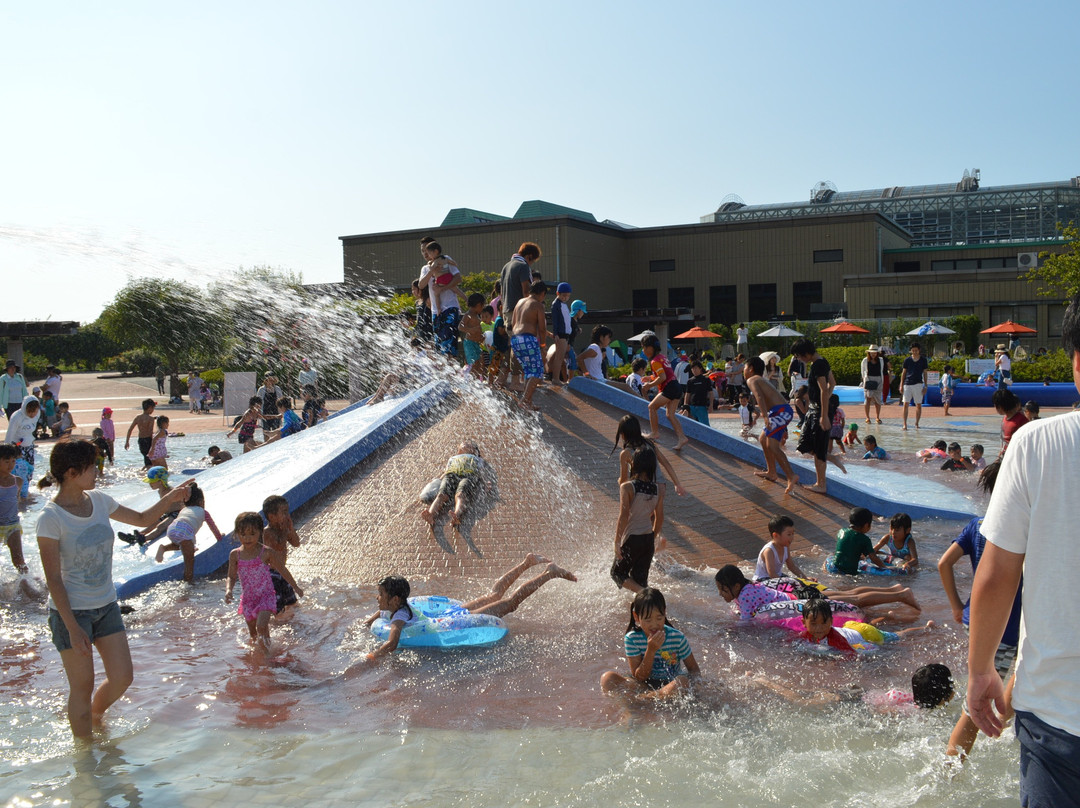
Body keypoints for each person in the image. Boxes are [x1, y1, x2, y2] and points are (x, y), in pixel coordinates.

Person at [967, 293, 1080, 805]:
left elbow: (995, 577)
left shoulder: (1036, 444)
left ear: (1075, 360)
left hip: (1059, 716)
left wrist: (979, 672)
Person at [36, 439, 192, 738]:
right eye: (91, 467)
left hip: (106, 605)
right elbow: (53, 579)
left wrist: (171, 497)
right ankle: (85, 760)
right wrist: (72, 627)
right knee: (81, 687)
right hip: (72, 614)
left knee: (122, 677)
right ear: (71, 473)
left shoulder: (99, 500)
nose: (98, 471)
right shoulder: (50, 518)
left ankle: (95, 717)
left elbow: (143, 519)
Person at [937, 461, 1023, 759]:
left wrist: (957, 606)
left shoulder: (978, 525)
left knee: (1010, 674)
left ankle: (1002, 719)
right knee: (974, 712)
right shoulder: (1023, 532)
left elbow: (943, 563)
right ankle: (949, 771)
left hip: (977, 619)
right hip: (1004, 629)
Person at [357, 555, 576, 665]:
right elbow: (381, 613)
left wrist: (373, 656)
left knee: (510, 603)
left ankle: (549, 573)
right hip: (451, 615)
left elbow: (393, 642)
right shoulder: (396, 606)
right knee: (494, 595)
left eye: (380, 595)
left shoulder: (399, 617)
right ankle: (526, 563)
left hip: (459, 620)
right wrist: (368, 623)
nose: (377, 598)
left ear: (394, 599)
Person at [753, 515, 921, 612]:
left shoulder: (784, 547)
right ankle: (893, 591)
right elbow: (774, 577)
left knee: (849, 598)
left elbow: (787, 570)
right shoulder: (770, 550)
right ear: (775, 535)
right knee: (847, 595)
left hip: (783, 588)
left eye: (792, 534)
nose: (792, 538)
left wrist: (804, 579)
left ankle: (898, 594)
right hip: (780, 585)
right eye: (788, 534)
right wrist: (801, 583)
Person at [600, 587, 700, 700]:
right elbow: (639, 677)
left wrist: (696, 688)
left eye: (659, 618)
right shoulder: (632, 638)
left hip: (669, 686)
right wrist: (651, 650)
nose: (654, 625)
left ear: (665, 612)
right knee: (607, 678)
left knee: (682, 682)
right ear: (636, 617)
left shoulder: (677, 637)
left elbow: (694, 669)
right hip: (644, 685)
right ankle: (647, 699)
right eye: (648, 620)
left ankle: (642, 700)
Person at [225, 512, 303, 652]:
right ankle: (263, 655)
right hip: (248, 599)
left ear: (260, 532)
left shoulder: (266, 552)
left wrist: (295, 586)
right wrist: (228, 590)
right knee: (254, 635)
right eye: (243, 534)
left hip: (266, 596)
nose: (247, 538)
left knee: (261, 626)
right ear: (237, 534)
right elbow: (231, 576)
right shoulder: (235, 554)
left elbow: (282, 570)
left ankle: (268, 656)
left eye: (252, 534)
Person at [611, 446, 666, 594]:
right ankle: (647, 603)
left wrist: (617, 542)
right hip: (647, 539)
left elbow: (623, 516)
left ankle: (646, 595)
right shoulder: (657, 489)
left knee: (617, 573)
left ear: (635, 464)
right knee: (639, 581)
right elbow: (659, 518)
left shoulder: (627, 487)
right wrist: (652, 537)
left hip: (632, 539)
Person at [792, 339, 844, 493]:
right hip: (815, 410)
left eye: (799, 356)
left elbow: (823, 388)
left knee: (818, 448)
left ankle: (821, 484)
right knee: (805, 444)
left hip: (818, 412)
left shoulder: (818, 365)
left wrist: (824, 414)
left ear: (806, 353)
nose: (800, 359)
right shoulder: (822, 361)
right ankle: (831, 457)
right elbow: (833, 383)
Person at [744, 356, 797, 493]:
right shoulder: (761, 379)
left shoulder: (752, 379)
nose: (743, 370)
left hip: (779, 412)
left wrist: (765, 417)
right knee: (763, 439)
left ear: (750, 369)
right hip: (779, 412)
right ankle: (771, 472)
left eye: (744, 367)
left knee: (772, 446)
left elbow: (759, 397)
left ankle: (791, 476)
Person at [153, 484, 224, 581]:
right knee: (189, 563)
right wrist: (219, 537)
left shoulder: (184, 509)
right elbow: (213, 527)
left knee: (182, 544)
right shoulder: (204, 512)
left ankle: (164, 548)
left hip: (171, 529)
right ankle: (188, 583)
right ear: (201, 502)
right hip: (184, 532)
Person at [420, 441, 494, 532]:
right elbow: (446, 471)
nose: (464, 444)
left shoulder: (477, 459)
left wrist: (486, 482)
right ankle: (431, 514)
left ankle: (456, 515)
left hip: (469, 475)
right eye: (463, 444)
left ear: (474, 450)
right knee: (441, 495)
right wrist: (437, 481)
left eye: (468, 444)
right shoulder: (453, 458)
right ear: (458, 450)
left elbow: (481, 471)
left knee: (460, 495)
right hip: (451, 475)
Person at [612, 414, 686, 497]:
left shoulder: (626, 453)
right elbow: (666, 463)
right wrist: (677, 484)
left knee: (640, 508)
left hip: (643, 489)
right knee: (658, 510)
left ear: (623, 434)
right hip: (660, 485)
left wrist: (619, 481)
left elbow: (624, 480)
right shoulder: (649, 443)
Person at [640, 334, 688, 451]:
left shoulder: (654, 361)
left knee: (651, 407)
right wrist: (650, 377)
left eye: (644, 347)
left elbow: (662, 377)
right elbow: (664, 374)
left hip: (669, 388)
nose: (643, 350)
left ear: (651, 348)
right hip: (676, 386)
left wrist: (649, 385)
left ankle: (654, 433)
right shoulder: (662, 357)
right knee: (670, 415)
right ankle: (682, 438)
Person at [509, 280, 549, 411]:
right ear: (542, 293)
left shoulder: (520, 302)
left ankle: (528, 403)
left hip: (515, 339)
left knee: (528, 371)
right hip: (528, 339)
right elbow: (542, 329)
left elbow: (513, 323)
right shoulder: (538, 305)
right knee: (538, 371)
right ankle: (524, 400)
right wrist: (542, 346)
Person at [262, 495, 302, 614]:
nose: (287, 515)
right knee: (277, 608)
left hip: (282, 573)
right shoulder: (267, 532)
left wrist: (291, 529)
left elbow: (296, 543)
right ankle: (276, 626)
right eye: (284, 512)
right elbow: (278, 546)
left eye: (287, 511)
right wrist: (285, 531)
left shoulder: (284, 529)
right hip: (271, 575)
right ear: (272, 517)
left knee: (292, 603)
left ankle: (296, 623)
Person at [715, 564, 795, 621]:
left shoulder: (745, 596)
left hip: (789, 605)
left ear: (736, 587)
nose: (720, 593)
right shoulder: (745, 588)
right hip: (788, 597)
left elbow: (746, 623)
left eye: (724, 590)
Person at [500, 242, 541, 337]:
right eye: (533, 260)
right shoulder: (523, 266)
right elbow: (526, 292)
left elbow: (502, 293)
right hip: (519, 312)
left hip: (507, 311)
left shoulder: (506, 266)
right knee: (522, 344)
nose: (531, 264)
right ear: (529, 256)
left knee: (514, 345)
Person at [831, 507, 887, 574]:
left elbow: (847, 548)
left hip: (835, 567)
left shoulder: (841, 531)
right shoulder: (864, 539)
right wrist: (885, 567)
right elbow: (873, 558)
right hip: (849, 572)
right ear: (866, 525)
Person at [5, 396, 41, 496]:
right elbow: (10, 434)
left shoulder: (37, 414)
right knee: (17, 470)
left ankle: (25, 490)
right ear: (25, 408)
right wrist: (7, 451)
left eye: (35, 411)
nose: (32, 414)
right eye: (30, 412)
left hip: (29, 445)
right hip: (17, 447)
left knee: (28, 470)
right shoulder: (17, 417)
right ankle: (15, 492)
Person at [0, 444, 27, 574]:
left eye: (13, 461)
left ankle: (27, 583)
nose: (11, 465)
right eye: (6, 461)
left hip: (13, 525)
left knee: (18, 559)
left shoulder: (18, 481)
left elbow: (17, 501)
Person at [547, 282, 573, 386]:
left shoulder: (563, 304)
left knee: (561, 357)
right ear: (558, 293)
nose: (565, 298)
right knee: (559, 357)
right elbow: (555, 320)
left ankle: (556, 378)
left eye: (567, 296)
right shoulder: (556, 304)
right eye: (563, 295)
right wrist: (556, 333)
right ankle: (556, 378)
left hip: (566, 333)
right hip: (561, 334)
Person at [993, 387, 1028, 459]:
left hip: (1015, 458)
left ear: (1000, 407)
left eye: (995, 405)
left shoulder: (1021, 420)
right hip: (1005, 456)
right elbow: (1004, 443)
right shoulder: (1005, 418)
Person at [458, 293, 487, 378]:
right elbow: (460, 326)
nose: (482, 308)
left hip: (476, 343)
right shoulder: (468, 315)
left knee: (480, 362)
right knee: (473, 364)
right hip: (469, 343)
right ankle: (470, 380)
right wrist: (470, 330)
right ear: (478, 305)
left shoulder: (476, 316)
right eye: (482, 306)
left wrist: (482, 336)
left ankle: (477, 380)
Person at [900, 343, 928, 430]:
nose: (915, 352)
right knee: (905, 404)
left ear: (919, 350)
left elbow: (925, 373)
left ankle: (917, 423)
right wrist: (901, 384)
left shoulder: (923, 360)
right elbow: (904, 373)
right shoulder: (907, 360)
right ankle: (905, 424)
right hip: (907, 383)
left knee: (918, 404)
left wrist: (925, 386)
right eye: (913, 350)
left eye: (916, 350)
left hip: (918, 384)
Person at [124, 399, 157, 469]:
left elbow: (130, 429)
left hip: (141, 440)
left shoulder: (138, 418)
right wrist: (154, 443)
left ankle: (143, 471)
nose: (153, 410)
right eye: (153, 408)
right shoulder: (150, 419)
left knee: (146, 457)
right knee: (150, 460)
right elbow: (150, 432)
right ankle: (149, 474)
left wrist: (127, 442)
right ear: (150, 408)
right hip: (148, 440)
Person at [683, 361, 715, 425]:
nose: (694, 370)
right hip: (691, 406)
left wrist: (711, 405)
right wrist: (685, 406)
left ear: (700, 369)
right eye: (692, 369)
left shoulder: (706, 380)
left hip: (701, 406)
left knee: (705, 426)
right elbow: (687, 394)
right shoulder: (690, 381)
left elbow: (711, 393)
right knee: (691, 425)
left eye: (695, 368)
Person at [860, 345, 886, 424]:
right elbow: (863, 371)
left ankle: (877, 417)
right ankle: (867, 417)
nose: (873, 354)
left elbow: (882, 370)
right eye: (871, 353)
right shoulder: (865, 360)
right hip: (869, 380)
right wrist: (865, 380)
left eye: (875, 353)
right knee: (868, 398)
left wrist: (881, 381)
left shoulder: (881, 360)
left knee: (878, 400)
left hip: (878, 380)